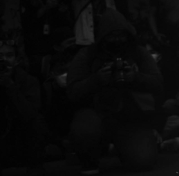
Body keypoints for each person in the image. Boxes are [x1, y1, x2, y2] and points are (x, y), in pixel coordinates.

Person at [67, 9, 164, 174]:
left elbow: (158, 84)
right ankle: (90, 158)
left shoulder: (138, 53)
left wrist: (135, 78)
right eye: (111, 36)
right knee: (85, 129)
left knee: (143, 161)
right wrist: (97, 80)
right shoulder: (88, 55)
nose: (117, 40)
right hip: (95, 113)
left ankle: (119, 149)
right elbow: (72, 92)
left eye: (121, 35)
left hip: (129, 117)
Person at [0, 34, 47, 176]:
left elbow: (31, 114)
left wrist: (10, 86)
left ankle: (35, 166)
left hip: (21, 136)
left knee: (37, 124)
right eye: (0, 56)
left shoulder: (28, 81)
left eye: (9, 55)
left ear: (16, 60)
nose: (4, 60)